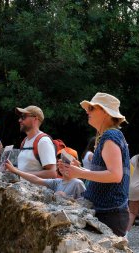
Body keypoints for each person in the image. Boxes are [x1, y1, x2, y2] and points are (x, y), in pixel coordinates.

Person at [58, 92, 130, 237]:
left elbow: (115, 175)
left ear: (105, 112)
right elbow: (106, 173)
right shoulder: (109, 135)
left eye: (91, 108)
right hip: (109, 213)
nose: (87, 111)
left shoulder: (110, 136)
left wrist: (79, 173)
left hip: (108, 214)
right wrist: (78, 169)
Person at [5, 159, 86, 199]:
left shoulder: (77, 183)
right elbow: (35, 179)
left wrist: (67, 199)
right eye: (59, 161)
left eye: (65, 163)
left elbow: (85, 205)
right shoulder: (57, 182)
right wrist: (16, 171)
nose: (60, 164)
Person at [14, 106, 57, 178]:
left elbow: (52, 173)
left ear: (35, 119)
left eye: (23, 117)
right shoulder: (25, 141)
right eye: (20, 117)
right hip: (24, 188)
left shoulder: (43, 141)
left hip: (38, 189)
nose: (19, 120)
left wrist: (19, 173)